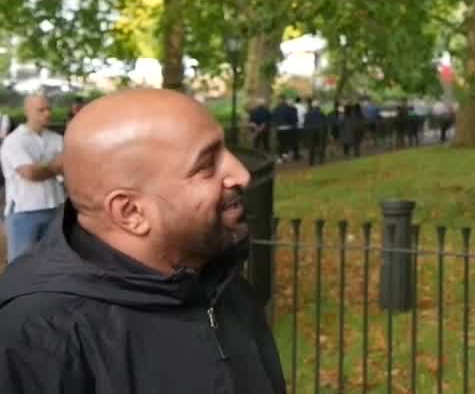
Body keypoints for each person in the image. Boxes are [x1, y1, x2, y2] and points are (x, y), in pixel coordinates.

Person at [0, 88, 286, 393]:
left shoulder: (219, 280)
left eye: (227, 151)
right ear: (131, 212)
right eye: (205, 165)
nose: (241, 174)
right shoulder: (36, 339)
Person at [0, 95, 65, 262]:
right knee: (22, 265)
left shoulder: (56, 139)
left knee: (52, 262)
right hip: (24, 211)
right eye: (41, 110)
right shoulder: (14, 141)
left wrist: (46, 168)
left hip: (55, 207)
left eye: (48, 108)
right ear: (27, 112)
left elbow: (71, 167)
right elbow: (30, 174)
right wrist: (57, 166)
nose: (47, 113)